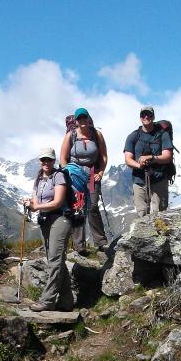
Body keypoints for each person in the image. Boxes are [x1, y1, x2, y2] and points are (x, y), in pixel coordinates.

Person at [22, 147, 75, 312]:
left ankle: (47, 300)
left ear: (54, 161)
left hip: (61, 219)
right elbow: (36, 201)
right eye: (43, 159)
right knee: (56, 260)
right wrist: (31, 205)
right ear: (40, 161)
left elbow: (58, 202)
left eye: (49, 159)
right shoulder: (38, 179)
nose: (46, 162)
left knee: (54, 260)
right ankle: (66, 300)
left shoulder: (58, 176)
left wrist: (36, 206)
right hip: (45, 220)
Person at [59, 107, 109, 254]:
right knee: (78, 207)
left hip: (92, 173)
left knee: (92, 206)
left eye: (84, 118)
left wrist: (100, 172)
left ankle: (101, 242)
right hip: (75, 174)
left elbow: (104, 156)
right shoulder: (71, 135)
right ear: (76, 120)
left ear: (88, 118)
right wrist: (67, 173)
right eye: (79, 118)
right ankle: (80, 246)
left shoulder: (96, 134)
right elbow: (63, 158)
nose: (82, 121)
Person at [123, 105, 174, 217]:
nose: (146, 117)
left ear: (153, 116)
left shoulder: (163, 135)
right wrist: (139, 165)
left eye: (149, 114)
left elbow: (167, 156)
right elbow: (128, 159)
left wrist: (152, 157)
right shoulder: (133, 136)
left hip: (159, 178)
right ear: (140, 117)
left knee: (159, 214)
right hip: (139, 180)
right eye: (143, 115)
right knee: (142, 213)